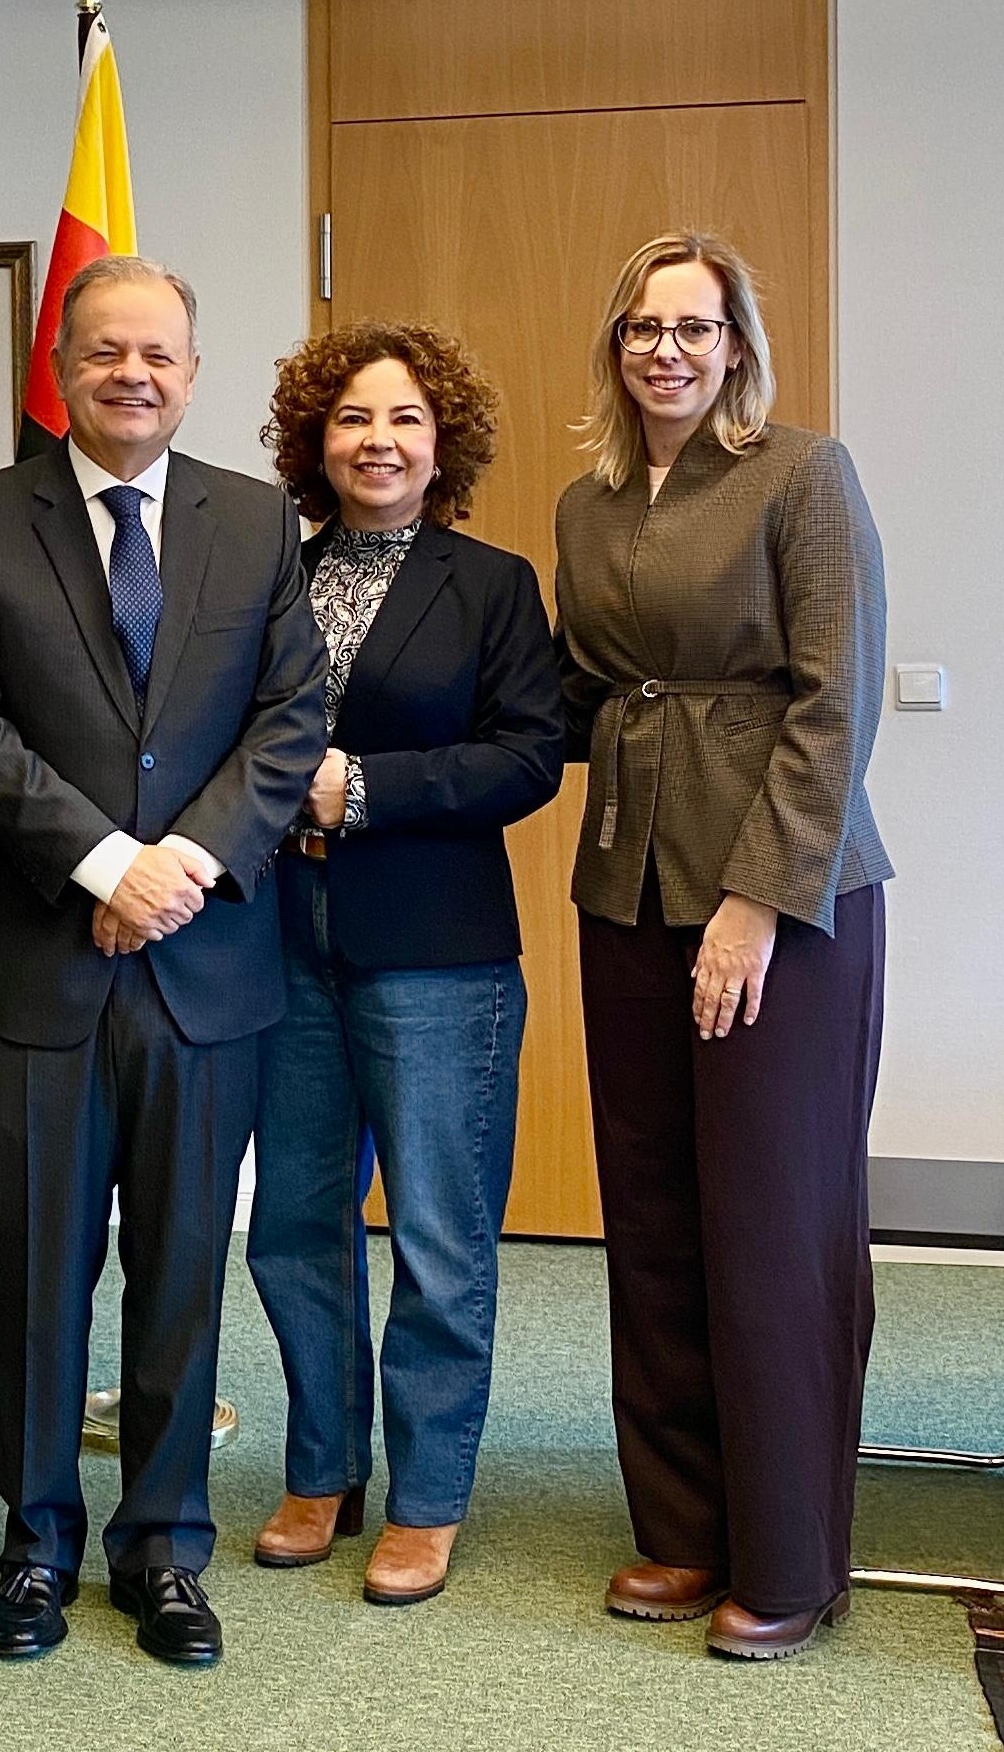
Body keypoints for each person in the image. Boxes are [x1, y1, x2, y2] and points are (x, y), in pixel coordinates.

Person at [0, 255, 329, 1668]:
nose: (131, 375)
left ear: (192, 370)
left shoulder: (257, 522)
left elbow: (289, 718)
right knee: (37, 1268)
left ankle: (162, 1543)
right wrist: (103, 864)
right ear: (64, 369)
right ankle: (36, 1541)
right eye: (103, 353)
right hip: (41, 964)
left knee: (177, 1270)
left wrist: (184, 869)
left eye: (157, 353)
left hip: (204, 967)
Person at [554, 230, 891, 1662]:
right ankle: (684, 1527)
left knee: (769, 1223)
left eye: (696, 327)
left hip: (782, 901)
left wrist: (755, 901)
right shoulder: (585, 502)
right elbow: (578, 687)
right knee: (653, 1216)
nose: (668, 350)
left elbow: (833, 700)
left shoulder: (802, 475)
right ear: (616, 346)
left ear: (738, 345)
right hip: (625, 888)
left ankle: (795, 1555)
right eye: (644, 326)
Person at [245, 323, 562, 1605]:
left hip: (437, 954)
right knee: (289, 1225)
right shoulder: (269, 571)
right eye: (351, 421)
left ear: (443, 445)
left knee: (436, 1232)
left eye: (405, 421)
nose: (378, 442)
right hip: (279, 945)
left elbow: (528, 754)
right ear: (314, 443)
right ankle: (321, 1466)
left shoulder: (490, 583)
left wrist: (359, 787)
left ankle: (427, 1493)